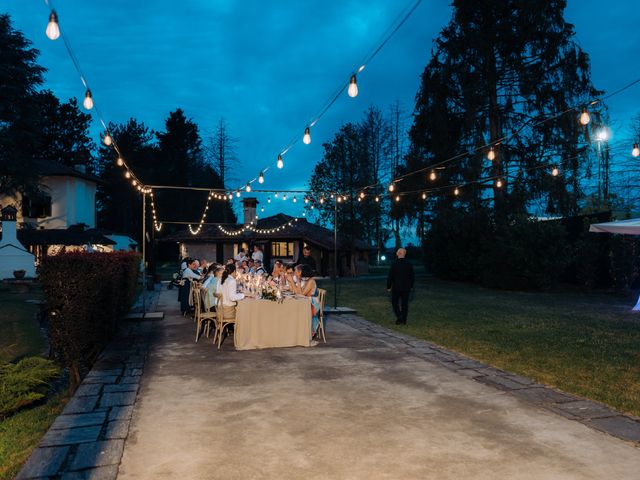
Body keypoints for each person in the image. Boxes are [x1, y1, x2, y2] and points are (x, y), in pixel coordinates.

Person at [287, 264, 321, 337]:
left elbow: (301, 294)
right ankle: (295, 330)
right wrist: (293, 282)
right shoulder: (305, 280)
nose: (295, 273)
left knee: (295, 309)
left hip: (313, 304)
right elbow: (297, 293)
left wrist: (293, 282)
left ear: (300, 272)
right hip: (306, 302)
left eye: (296, 271)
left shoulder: (311, 281)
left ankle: (301, 331)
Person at [386, 248, 415, 325]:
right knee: (405, 304)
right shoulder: (409, 264)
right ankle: (403, 320)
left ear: (398, 254)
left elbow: (390, 276)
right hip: (406, 287)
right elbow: (412, 276)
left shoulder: (394, 263)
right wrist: (411, 286)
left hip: (396, 287)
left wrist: (388, 287)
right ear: (404, 254)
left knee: (394, 303)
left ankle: (399, 317)